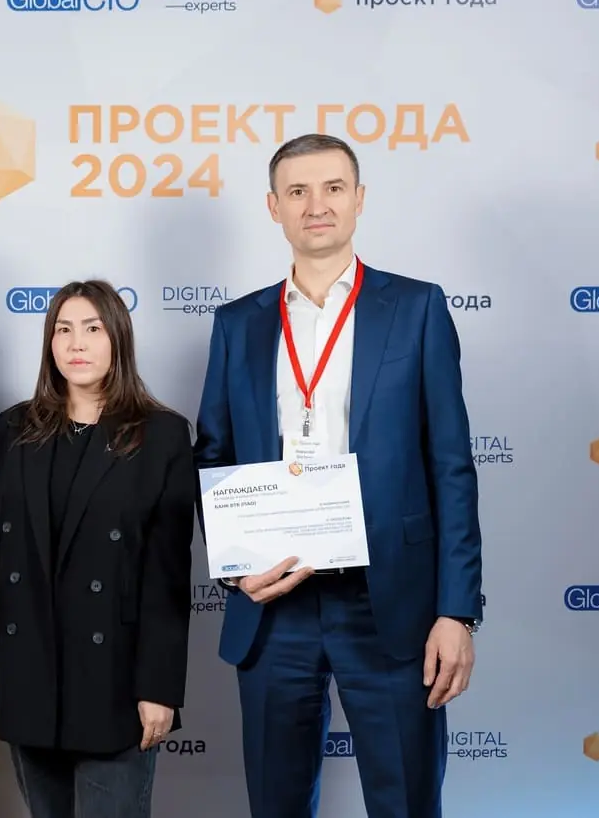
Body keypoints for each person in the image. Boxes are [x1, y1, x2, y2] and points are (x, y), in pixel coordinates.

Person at [193, 134, 483, 818]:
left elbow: (451, 467)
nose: (315, 205)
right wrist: (236, 568)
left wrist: (456, 610)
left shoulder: (417, 308)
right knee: (277, 803)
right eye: (297, 191)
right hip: (275, 604)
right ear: (274, 207)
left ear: (358, 199)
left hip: (390, 602)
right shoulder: (237, 324)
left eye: (331, 188)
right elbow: (213, 454)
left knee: (406, 800)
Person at [0, 280, 197, 818]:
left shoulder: (162, 435)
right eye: (63, 329)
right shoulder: (15, 427)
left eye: (92, 328)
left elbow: (167, 576)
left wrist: (160, 687)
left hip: (116, 680)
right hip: (27, 671)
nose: (76, 343)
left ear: (118, 338)